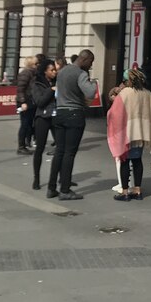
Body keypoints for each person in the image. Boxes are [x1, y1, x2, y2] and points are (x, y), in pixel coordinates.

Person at [107, 69, 151, 201]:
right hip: (140, 133)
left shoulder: (125, 93)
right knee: (137, 161)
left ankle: (124, 192)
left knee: (124, 161)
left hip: (127, 133)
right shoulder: (146, 93)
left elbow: (115, 114)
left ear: (127, 80)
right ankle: (137, 190)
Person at [47, 50, 97, 200]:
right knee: (69, 153)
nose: (91, 65)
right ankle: (65, 190)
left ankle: (51, 188)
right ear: (85, 59)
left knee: (59, 152)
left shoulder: (62, 72)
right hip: (74, 114)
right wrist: (93, 83)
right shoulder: (81, 74)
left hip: (60, 113)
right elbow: (90, 93)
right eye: (91, 62)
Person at [29, 58, 57, 191]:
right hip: (43, 117)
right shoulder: (38, 83)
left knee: (61, 148)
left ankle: (61, 178)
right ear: (45, 71)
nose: (55, 72)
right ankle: (37, 178)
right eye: (52, 70)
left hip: (56, 116)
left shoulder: (57, 81)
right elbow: (39, 102)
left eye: (55, 69)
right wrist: (51, 90)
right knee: (39, 148)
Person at [15, 55, 38, 155]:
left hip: (31, 101)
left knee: (29, 123)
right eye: (36, 63)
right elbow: (20, 89)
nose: (37, 65)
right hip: (25, 101)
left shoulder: (33, 73)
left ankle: (27, 143)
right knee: (24, 124)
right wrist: (23, 102)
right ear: (31, 64)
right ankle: (21, 146)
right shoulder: (25, 73)